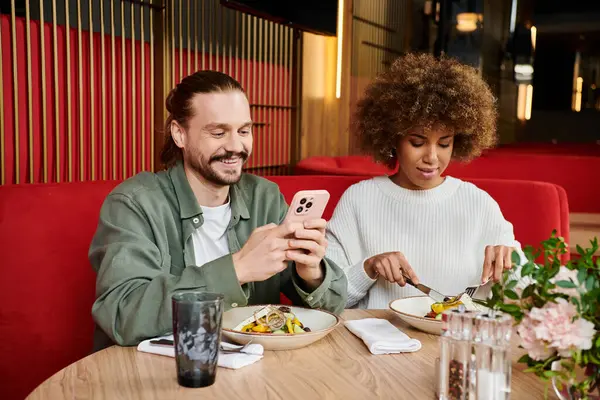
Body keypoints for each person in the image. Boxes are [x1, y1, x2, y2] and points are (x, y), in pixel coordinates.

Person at [89, 71, 347, 349]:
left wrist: (311, 274)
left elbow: (332, 307)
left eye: (244, 131)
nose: (236, 146)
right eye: (218, 132)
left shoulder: (264, 197)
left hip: (251, 372)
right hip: (162, 373)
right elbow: (123, 315)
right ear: (179, 134)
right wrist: (237, 269)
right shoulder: (134, 203)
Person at [325, 53, 523, 309]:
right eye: (417, 142)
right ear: (392, 138)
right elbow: (328, 300)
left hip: (458, 342)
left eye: (444, 143)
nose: (432, 157)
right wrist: (369, 268)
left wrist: (511, 263)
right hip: (381, 345)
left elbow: (523, 291)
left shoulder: (478, 203)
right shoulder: (359, 200)